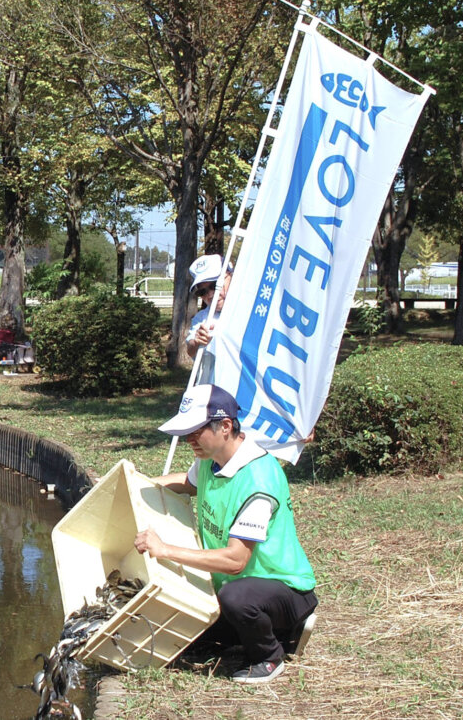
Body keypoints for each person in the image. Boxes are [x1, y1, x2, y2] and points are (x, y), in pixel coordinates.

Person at [133, 384, 318, 684]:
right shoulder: (210, 459)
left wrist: (165, 550)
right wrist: (134, 483)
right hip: (238, 585)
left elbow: (235, 561)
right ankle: (276, 632)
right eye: (186, 432)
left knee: (236, 598)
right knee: (194, 636)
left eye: (196, 431)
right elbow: (187, 483)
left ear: (226, 427)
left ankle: (270, 656)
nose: (188, 440)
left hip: (281, 588)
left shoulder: (258, 481)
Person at [185, 254, 232, 383]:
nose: (211, 294)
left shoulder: (253, 309)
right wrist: (197, 341)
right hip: (216, 395)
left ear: (230, 276)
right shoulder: (202, 319)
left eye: (215, 285)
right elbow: (191, 349)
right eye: (202, 292)